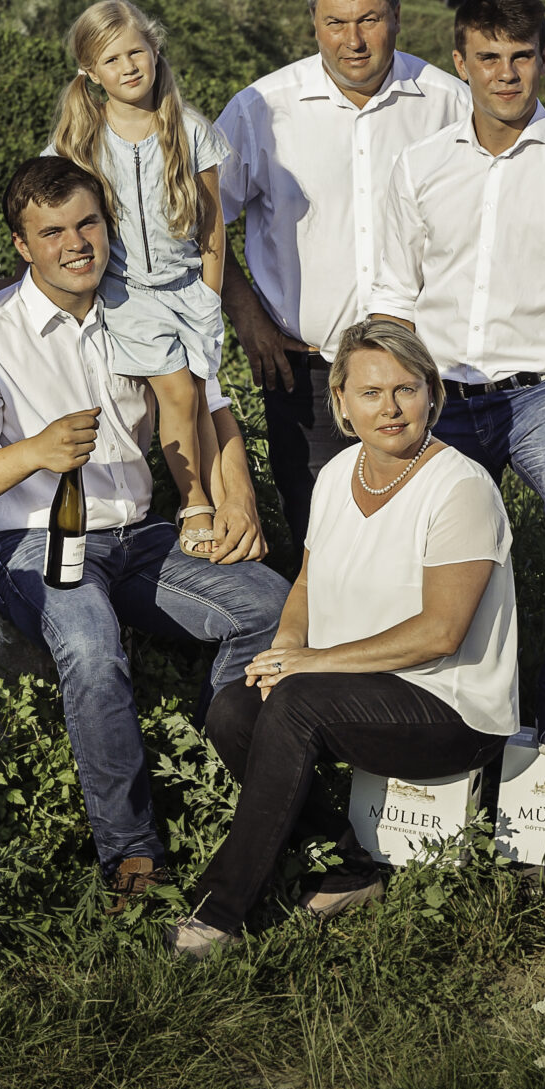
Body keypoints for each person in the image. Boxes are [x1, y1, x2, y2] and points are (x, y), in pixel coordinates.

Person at [0, 156, 287, 902]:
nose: (76, 242)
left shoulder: (141, 313)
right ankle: (132, 858)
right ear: (22, 246)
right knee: (89, 639)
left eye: (87, 223)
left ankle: (232, 782)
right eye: (51, 231)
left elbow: (208, 404)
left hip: (137, 534)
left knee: (270, 605)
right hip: (22, 541)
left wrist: (230, 501)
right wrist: (32, 452)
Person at [166, 318, 518, 956]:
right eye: (370, 393)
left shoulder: (460, 487)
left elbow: (441, 633)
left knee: (297, 702)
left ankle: (222, 910)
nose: (390, 408)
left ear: (432, 394)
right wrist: (284, 654)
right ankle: (353, 867)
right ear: (341, 404)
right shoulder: (335, 477)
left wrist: (311, 665)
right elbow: (306, 580)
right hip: (357, 688)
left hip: (451, 707)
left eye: (406, 390)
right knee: (234, 708)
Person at [370, 0, 545, 761]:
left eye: (522, 56)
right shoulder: (419, 167)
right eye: (488, 57)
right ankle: (420, 689)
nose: (506, 74)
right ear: (462, 61)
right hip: (439, 390)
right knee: (398, 526)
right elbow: (392, 301)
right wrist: (396, 401)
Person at [217, 0, 470, 569]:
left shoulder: (449, 103)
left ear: (397, 17)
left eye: (369, 19)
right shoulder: (260, 111)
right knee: (320, 544)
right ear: (313, 24)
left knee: (422, 545)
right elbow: (200, 225)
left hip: (429, 375)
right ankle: (323, 664)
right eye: (336, 22)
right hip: (305, 374)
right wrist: (246, 316)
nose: (353, 40)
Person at [46, 0, 232, 559]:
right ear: (90, 72)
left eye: (135, 52)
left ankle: (223, 505)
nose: (128, 67)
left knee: (198, 397)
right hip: (125, 291)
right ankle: (194, 498)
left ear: (155, 51)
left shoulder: (191, 130)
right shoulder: (80, 140)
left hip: (188, 291)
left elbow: (213, 226)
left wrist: (210, 294)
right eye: (111, 59)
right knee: (176, 387)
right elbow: (49, 207)